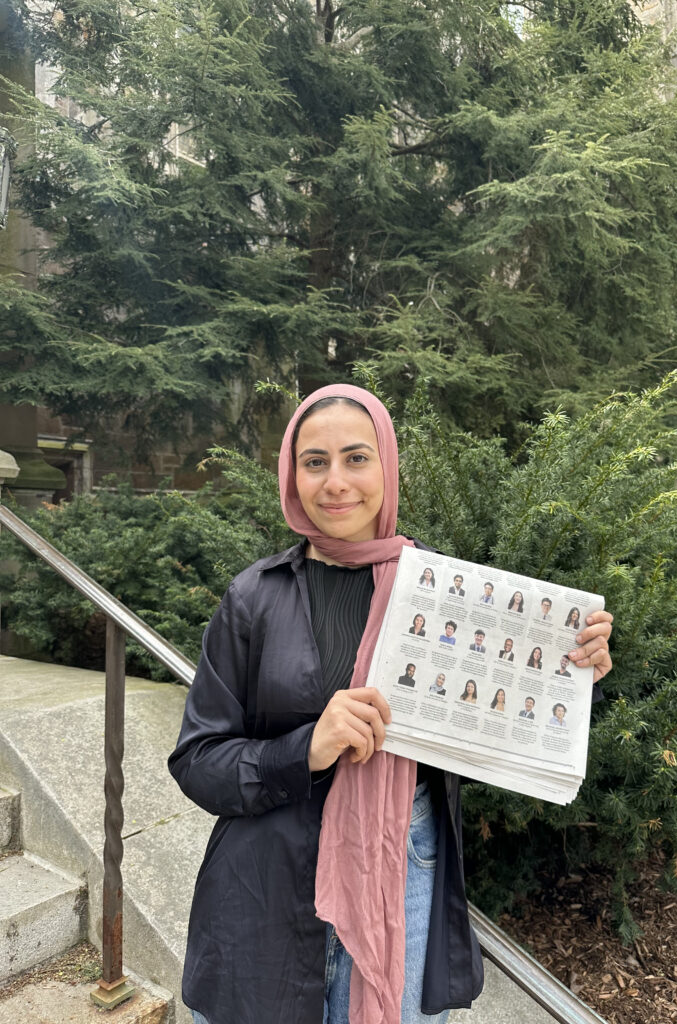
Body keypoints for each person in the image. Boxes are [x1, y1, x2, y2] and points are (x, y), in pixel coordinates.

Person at [168, 384, 615, 1024]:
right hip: (265, 880)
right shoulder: (254, 598)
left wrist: (569, 676)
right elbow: (197, 758)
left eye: (357, 458)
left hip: (403, 865)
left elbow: (498, 732)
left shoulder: (445, 592)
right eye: (315, 462)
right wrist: (306, 749)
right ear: (292, 477)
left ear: (387, 466)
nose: (336, 483)